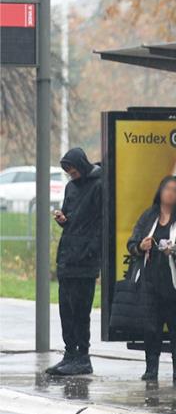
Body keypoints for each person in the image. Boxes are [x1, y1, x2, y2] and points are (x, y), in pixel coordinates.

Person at [127, 175, 176, 381]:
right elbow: (132, 243)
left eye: (174, 190)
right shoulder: (149, 215)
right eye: (166, 188)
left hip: (175, 281)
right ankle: (151, 367)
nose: (169, 193)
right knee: (151, 326)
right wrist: (140, 246)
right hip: (150, 280)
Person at [47, 148, 103, 376]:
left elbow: (102, 223)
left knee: (81, 311)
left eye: (72, 169)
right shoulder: (71, 187)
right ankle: (70, 353)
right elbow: (71, 217)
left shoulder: (99, 185)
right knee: (66, 310)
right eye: (67, 170)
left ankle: (82, 356)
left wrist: (90, 251)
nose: (70, 173)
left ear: (81, 164)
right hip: (68, 256)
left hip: (85, 261)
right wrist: (63, 219)